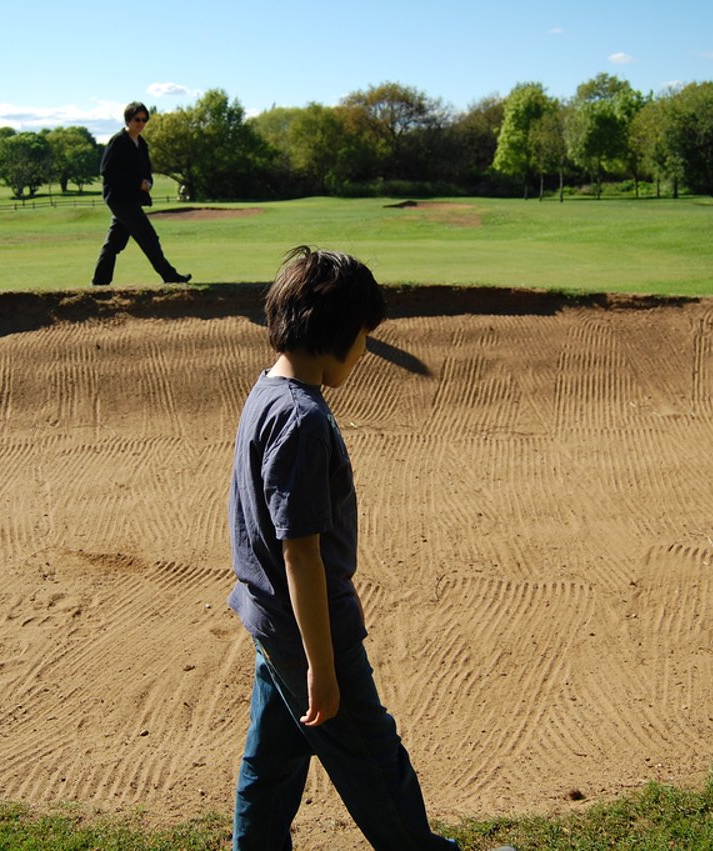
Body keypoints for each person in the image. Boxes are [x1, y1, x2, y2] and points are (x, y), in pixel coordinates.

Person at [227, 247, 474, 850]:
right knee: (373, 762)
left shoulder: (266, 392)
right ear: (338, 331)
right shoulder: (300, 420)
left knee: (273, 766)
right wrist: (322, 664)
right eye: (364, 337)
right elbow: (300, 554)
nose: (365, 353)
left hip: (273, 622)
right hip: (313, 631)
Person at [91, 101, 191, 285]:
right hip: (119, 199)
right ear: (128, 120)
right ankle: (169, 276)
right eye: (137, 119)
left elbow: (146, 170)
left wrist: (148, 183)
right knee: (148, 237)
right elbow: (108, 171)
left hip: (132, 199)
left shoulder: (141, 144)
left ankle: (99, 282)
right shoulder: (118, 142)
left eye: (144, 119)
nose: (141, 123)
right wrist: (137, 183)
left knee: (114, 243)